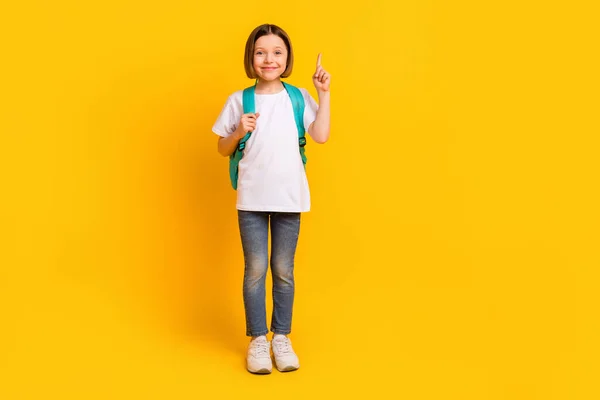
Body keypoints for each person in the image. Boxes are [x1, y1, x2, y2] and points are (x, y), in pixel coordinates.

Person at [212, 23, 331, 374]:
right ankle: (258, 341)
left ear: (287, 58)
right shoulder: (239, 100)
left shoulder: (297, 98)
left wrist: (323, 93)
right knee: (255, 271)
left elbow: (321, 135)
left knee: (283, 271)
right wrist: (238, 130)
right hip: (251, 199)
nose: (269, 59)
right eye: (261, 52)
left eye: (277, 52)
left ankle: (282, 336)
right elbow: (221, 148)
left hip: (289, 199)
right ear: (251, 57)